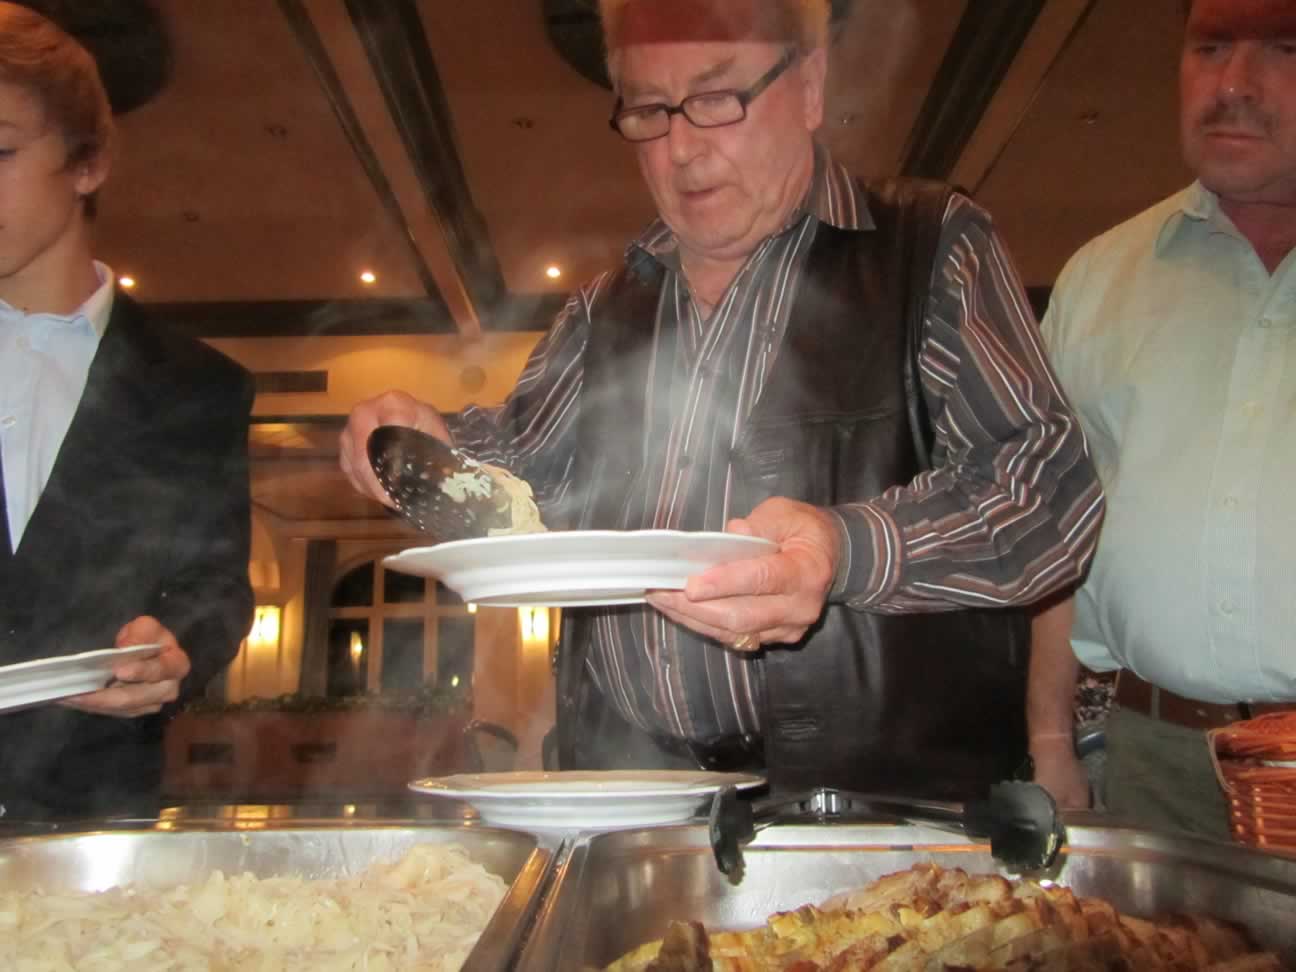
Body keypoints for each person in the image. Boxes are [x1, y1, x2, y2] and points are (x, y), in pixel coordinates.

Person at [340, 0, 1104, 799]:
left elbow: (1050, 493)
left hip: (876, 811)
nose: (681, 148)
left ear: (809, 86)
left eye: (715, 98)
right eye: (648, 109)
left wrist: (846, 550)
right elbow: (525, 478)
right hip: (629, 797)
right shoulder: (603, 311)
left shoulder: (929, 247)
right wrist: (424, 448)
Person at [1028, 0, 1296, 838]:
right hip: (1154, 765)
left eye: (1284, 47)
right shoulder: (1100, 279)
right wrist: (1048, 742)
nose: (1233, 84)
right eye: (1210, 46)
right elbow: (1053, 531)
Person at [0, 3, 254, 820]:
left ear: (89, 163)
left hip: (89, 820)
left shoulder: (196, 386)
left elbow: (214, 585)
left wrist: (175, 650)